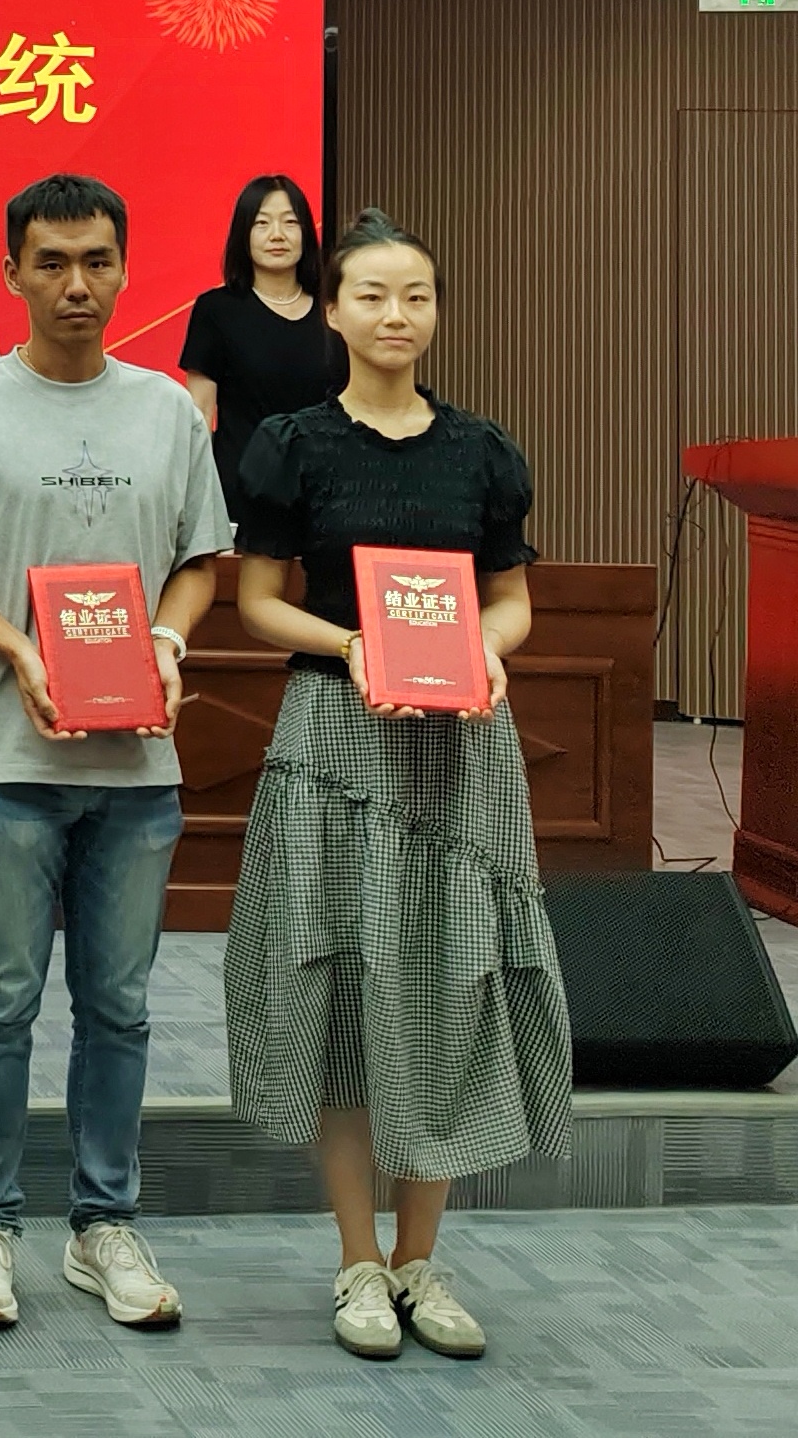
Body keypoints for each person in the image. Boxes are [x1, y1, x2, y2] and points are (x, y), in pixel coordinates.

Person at [0, 173, 231, 1335]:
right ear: (12, 274)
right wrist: (15, 645)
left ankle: (102, 1224)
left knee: (120, 1006)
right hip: (6, 756)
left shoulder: (167, 411)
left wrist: (168, 639)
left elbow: (200, 556)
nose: (76, 283)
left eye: (96, 260)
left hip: (138, 769)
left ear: (124, 270)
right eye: (52, 262)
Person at [223, 208, 571, 1363]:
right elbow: (257, 601)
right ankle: (358, 1258)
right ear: (333, 310)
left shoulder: (483, 449)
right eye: (371, 294)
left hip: (460, 742)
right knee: (344, 987)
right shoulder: (294, 444)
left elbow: (510, 599)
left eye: (414, 294)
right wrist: (353, 645)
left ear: (436, 312)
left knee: (447, 981)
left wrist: (487, 648)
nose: (394, 314)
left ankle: (424, 1257)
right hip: (339, 737)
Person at [179, 174, 343, 522]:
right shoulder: (216, 310)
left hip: (323, 495)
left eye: (290, 222)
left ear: (306, 233)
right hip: (240, 497)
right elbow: (199, 414)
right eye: (262, 223)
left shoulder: (333, 312)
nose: (277, 235)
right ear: (244, 234)